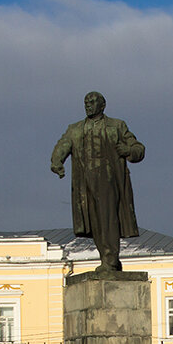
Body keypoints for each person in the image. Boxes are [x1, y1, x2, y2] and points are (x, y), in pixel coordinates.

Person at [51, 92, 146, 272]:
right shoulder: (75, 129)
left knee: (108, 218)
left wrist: (127, 150)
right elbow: (63, 145)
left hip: (109, 178)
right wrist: (56, 162)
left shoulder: (117, 126)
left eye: (92, 102)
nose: (88, 105)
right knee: (94, 222)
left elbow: (138, 149)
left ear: (102, 106)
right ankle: (109, 259)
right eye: (86, 102)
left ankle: (109, 260)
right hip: (85, 182)